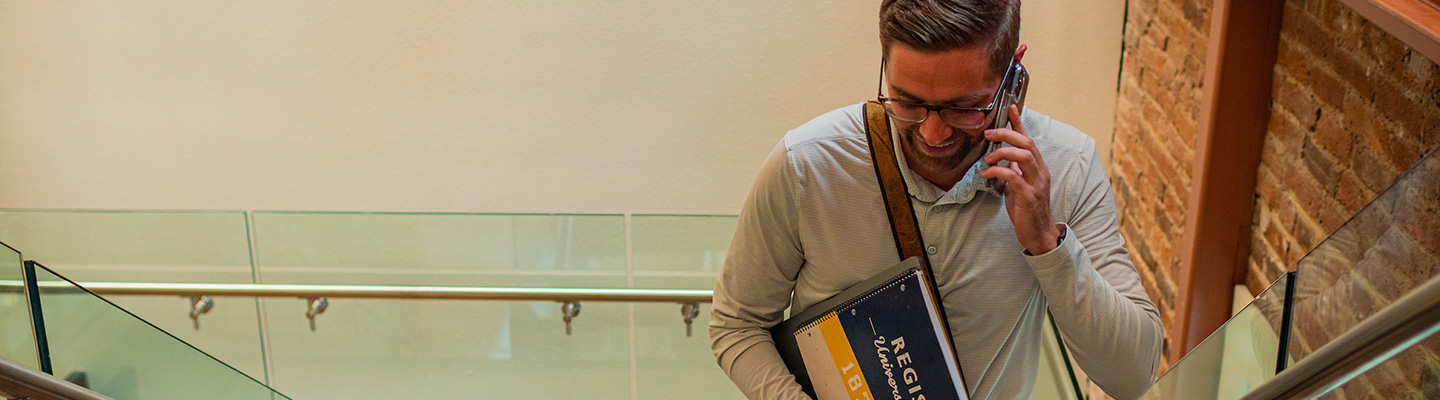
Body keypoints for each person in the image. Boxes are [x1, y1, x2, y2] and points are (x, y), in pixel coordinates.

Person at [707, 1, 1163, 399]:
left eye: (964, 107)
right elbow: (737, 325)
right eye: (906, 102)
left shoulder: (1068, 167)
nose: (932, 132)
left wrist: (1047, 241)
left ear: (1013, 70)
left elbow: (1132, 377)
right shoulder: (807, 165)